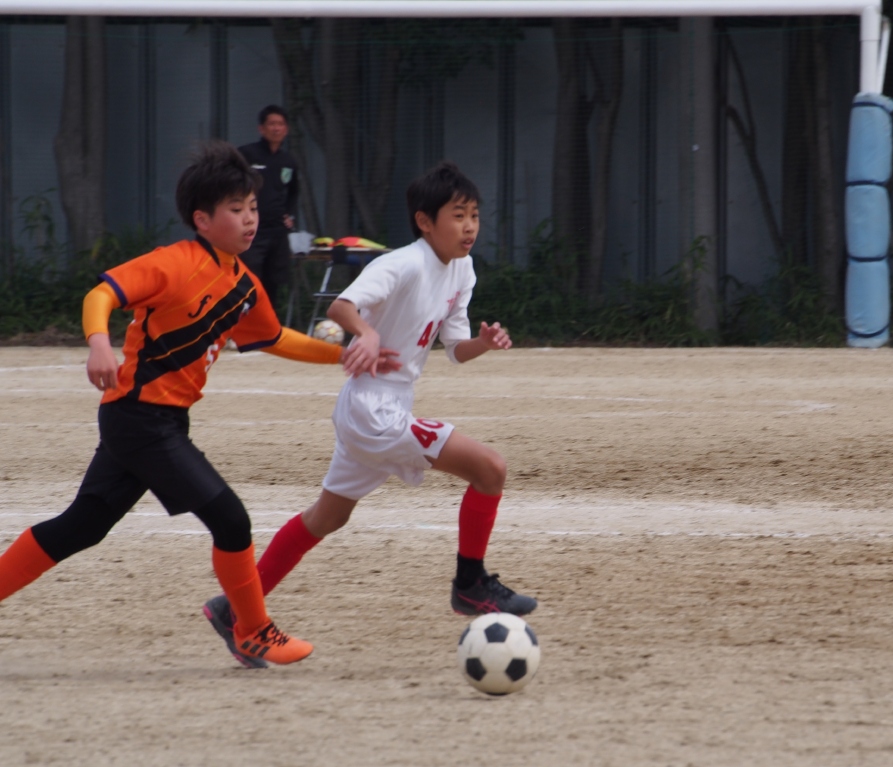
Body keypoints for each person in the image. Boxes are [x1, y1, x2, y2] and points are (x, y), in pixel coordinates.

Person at [0, 141, 387, 668]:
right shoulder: (174, 264)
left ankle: (247, 628)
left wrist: (344, 355)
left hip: (153, 421)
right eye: (236, 209)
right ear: (202, 220)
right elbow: (101, 295)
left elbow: (275, 337)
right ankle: (252, 630)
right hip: (140, 419)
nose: (249, 219)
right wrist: (98, 342)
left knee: (82, 525)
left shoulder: (243, 284)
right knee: (231, 521)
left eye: (253, 207)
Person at [202, 162, 537, 669]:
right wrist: (368, 333)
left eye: (474, 215)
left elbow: (455, 349)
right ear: (425, 222)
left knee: (327, 517)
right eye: (458, 215)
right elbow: (341, 307)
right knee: (490, 468)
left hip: (382, 408)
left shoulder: (462, 269)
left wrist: (483, 344)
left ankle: (233, 608)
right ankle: (470, 585)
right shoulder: (403, 264)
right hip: (373, 410)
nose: (470, 226)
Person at [238, 105, 299, 314]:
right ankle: (241, 323)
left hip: (277, 231)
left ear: (286, 129)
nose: (276, 128)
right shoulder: (246, 154)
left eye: (280, 124)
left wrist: (289, 215)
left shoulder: (288, 161)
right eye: (271, 124)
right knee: (249, 278)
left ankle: (269, 325)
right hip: (252, 230)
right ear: (261, 128)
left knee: (274, 280)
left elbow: (294, 191)